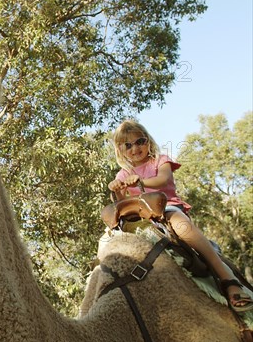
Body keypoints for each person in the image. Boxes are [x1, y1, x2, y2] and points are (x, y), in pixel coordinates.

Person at [107, 120, 252, 313]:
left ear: (148, 141)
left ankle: (227, 278)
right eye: (128, 145)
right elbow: (121, 200)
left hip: (167, 209)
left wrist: (140, 181)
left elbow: (163, 179)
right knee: (109, 243)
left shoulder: (160, 160)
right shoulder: (123, 173)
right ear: (121, 150)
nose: (135, 148)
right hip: (141, 219)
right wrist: (117, 188)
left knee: (181, 226)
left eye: (140, 141)